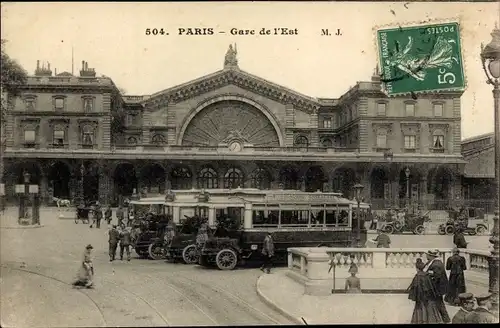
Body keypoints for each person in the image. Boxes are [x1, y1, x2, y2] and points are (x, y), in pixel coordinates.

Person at [407, 258, 444, 324]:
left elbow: (415, 288)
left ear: (417, 268)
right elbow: (432, 287)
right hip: (429, 297)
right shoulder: (427, 275)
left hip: (421, 298)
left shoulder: (417, 276)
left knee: (420, 309)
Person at [424, 249, 451, 323]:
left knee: (439, 304)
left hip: (437, 289)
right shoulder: (437, 262)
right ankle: (444, 319)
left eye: (427, 254)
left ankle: (445, 319)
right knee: (439, 303)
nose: (426, 256)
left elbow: (436, 278)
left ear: (431, 256)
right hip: (438, 289)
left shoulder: (435, 265)